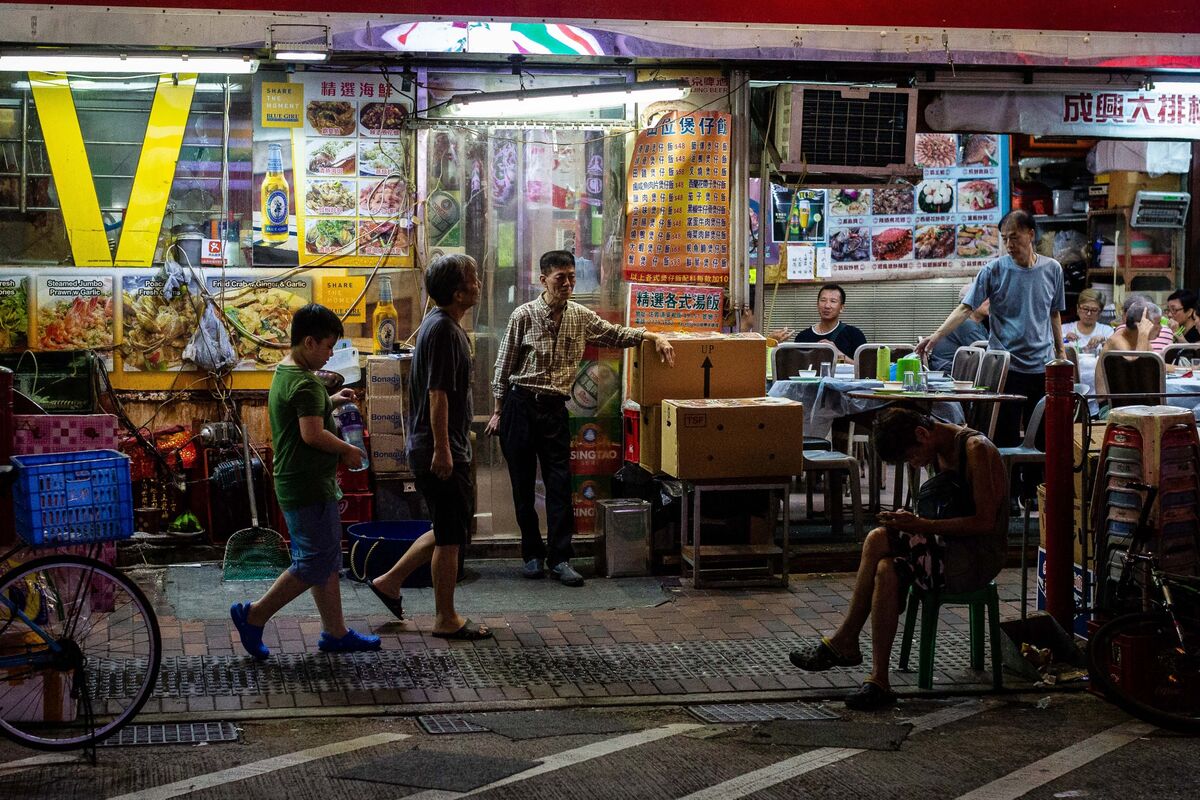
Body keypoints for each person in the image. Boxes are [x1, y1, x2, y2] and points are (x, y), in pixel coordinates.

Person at [788, 407, 1008, 710]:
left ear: (921, 434)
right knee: (886, 569)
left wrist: (921, 526)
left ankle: (845, 641)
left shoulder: (976, 450)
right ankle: (879, 680)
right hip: (944, 549)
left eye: (910, 457)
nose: (913, 464)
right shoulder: (938, 450)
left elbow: (984, 522)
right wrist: (914, 522)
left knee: (878, 538)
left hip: (973, 560)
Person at [488, 250, 676, 586]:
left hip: (554, 410)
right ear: (543, 279)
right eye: (560, 278)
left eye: (572, 277)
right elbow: (503, 368)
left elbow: (615, 334)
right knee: (522, 487)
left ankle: (560, 558)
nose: (568, 284)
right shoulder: (523, 316)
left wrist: (652, 336)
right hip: (520, 406)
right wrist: (499, 411)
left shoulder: (580, 316)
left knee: (561, 485)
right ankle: (532, 555)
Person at [230, 304, 380, 660]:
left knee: (325, 559)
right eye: (328, 347)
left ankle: (335, 632)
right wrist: (347, 450)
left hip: (297, 481)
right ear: (309, 342)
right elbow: (312, 434)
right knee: (313, 562)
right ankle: (254, 615)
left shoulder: (286, 372)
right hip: (308, 484)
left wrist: (330, 401)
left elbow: (305, 412)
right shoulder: (305, 382)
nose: (330, 355)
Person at [368, 255, 492, 639]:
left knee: (446, 527)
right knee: (451, 535)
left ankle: (389, 581)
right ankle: (445, 618)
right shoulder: (442, 331)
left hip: (441, 445)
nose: (479, 283)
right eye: (472, 278)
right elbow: (438, 395)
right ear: (458, 292)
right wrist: (443, 450)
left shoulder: (442, 326)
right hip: (438, 449)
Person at [916, 210, 1065, 449]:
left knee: (1041, 439)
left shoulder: (1053, 269)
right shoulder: (994, 270)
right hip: (1006, 366)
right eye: (1004, 238)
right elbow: (965, 309)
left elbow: (1054, 313)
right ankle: (1008, 487)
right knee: (1004, 438)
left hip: (1041, 366)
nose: (1009, 244)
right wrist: (936, 336)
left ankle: (1037, 487)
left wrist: (1061, 354)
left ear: (1031, 235)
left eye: (1014, 237)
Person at [769, 283, 866, 364]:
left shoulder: (854, 335)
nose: (827, 306)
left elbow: (864, 369)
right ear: (817, 304)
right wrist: (772, 344)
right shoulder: (803, 337)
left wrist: (838, 354)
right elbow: (794, 367)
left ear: (841, 308)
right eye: (823, 300)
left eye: (833, 301)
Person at [1096, 302, 1162, 397]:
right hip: (1112, 405)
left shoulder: (1142, 341)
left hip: (1137, 402)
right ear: (1144, 324)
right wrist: (1143, 334)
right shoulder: (1117, 340)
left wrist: (1187, 368)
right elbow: (1136, 372)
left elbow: (1156, 365)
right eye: (1158, 323)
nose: (1161, 328)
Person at [927, 283, 990, 373]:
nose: (990, 301)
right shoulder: (966, 324)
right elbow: (990, 355)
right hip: (949, 377)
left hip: (959, 373)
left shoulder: (980, 325)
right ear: (969, 302)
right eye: (985, 297)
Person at [1061, 288, 1114, 355]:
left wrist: (1104, 340)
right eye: (1085, 308)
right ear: (1078, 308)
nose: (1089, 313)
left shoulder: (1106, 331)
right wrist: (1065, 338)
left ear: (1100, 312)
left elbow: (1114, 350)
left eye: (1094, 310)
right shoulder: (1064, 329)